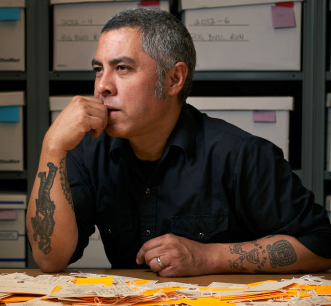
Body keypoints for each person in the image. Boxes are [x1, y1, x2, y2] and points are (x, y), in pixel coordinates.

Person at [26, 7, 331, 277]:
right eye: (98, 69)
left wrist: (209, 256)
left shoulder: (241, 155)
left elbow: (321, 243)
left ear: (174, 79)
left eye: (122, 68)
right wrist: (52, 146)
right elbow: (50, 259)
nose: (102, 86)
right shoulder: (86, 151)